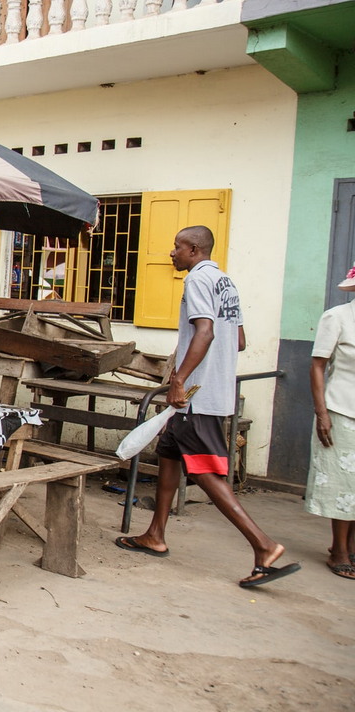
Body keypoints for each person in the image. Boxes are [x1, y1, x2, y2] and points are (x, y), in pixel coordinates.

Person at [115, 226, 299, 588]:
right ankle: (156, 534)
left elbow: (206, 332)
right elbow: (240, 340)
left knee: (203, 473)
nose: (172, 253)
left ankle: (263, 546)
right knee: (168, 454)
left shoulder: (198, 281)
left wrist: (180, 379)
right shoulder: (225, 282)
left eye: (177, 247)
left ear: (194, 250)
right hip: (214, 391)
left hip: (197, 396)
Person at [306, 263, 355, 580]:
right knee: (342, 484)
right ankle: (338, 549)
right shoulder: (337, 317)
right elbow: (317, 366)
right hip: (341, 410)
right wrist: (321, 412)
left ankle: (351, 547)